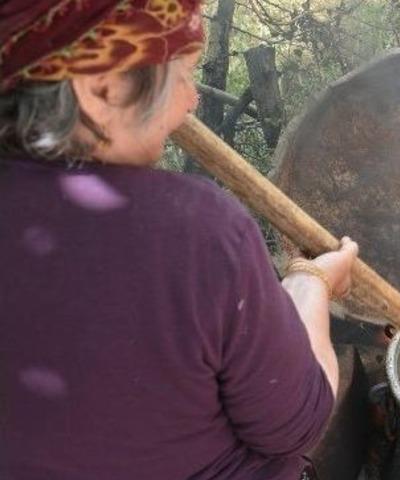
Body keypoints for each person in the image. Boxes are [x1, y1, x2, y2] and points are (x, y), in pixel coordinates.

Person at [0, 1, 358, 479]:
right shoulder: (194, 230)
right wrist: (310, 282)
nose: (191, 100)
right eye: (183, 74)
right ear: (101, 86)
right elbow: (295, 424)